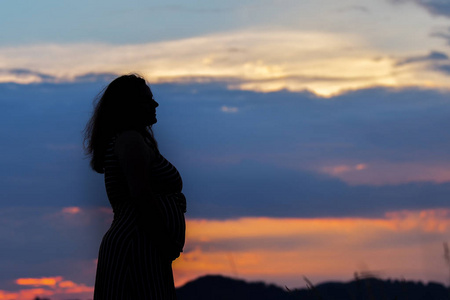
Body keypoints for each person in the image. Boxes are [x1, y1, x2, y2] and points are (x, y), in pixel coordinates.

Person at [84, 74, 186, 299]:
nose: (155, 104)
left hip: (143, 244)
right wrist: (164, 242)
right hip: (137, 246)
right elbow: (140, 195)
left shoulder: (133, 140)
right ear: (130, 106)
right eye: (147, 100)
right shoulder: (129, 140)